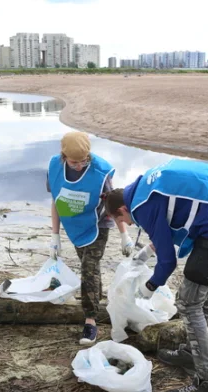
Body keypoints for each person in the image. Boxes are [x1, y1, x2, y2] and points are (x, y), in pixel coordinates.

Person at [104, 158, 208, 392]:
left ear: (122, 209)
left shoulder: (141, 206)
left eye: (123, 221)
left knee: (188, 303)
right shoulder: (144, 188)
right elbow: (166, 223)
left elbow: (168, 262)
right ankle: (190, 354)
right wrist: (145, 254)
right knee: (203, 296)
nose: (128, 225)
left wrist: (149, 287)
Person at [47, 132, 134, 346]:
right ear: (64, 156)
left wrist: (124, 235)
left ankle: (90, 321)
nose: (79, 166)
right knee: (90, 269)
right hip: (75, 225)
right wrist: (55, 235)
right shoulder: (55, 167)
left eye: (84, 161)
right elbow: (56, 200)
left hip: (98, 225)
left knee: (89, 267)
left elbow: (114, 204)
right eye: (74, 162)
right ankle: (96, 301)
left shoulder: (100, 172)